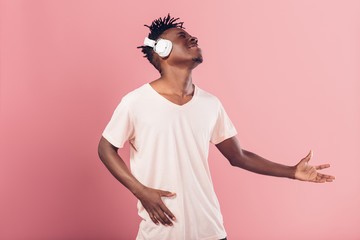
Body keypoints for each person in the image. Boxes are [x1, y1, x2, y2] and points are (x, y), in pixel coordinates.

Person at [97, 13, 335, 240]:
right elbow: (106, 148)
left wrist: (292, 171)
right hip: (161, 232)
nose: (193, 38)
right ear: (162, 50)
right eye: (182, 36)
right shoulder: (135, 102)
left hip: (210, 230)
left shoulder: (210, 104)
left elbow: (238, 156)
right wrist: (140, 191)